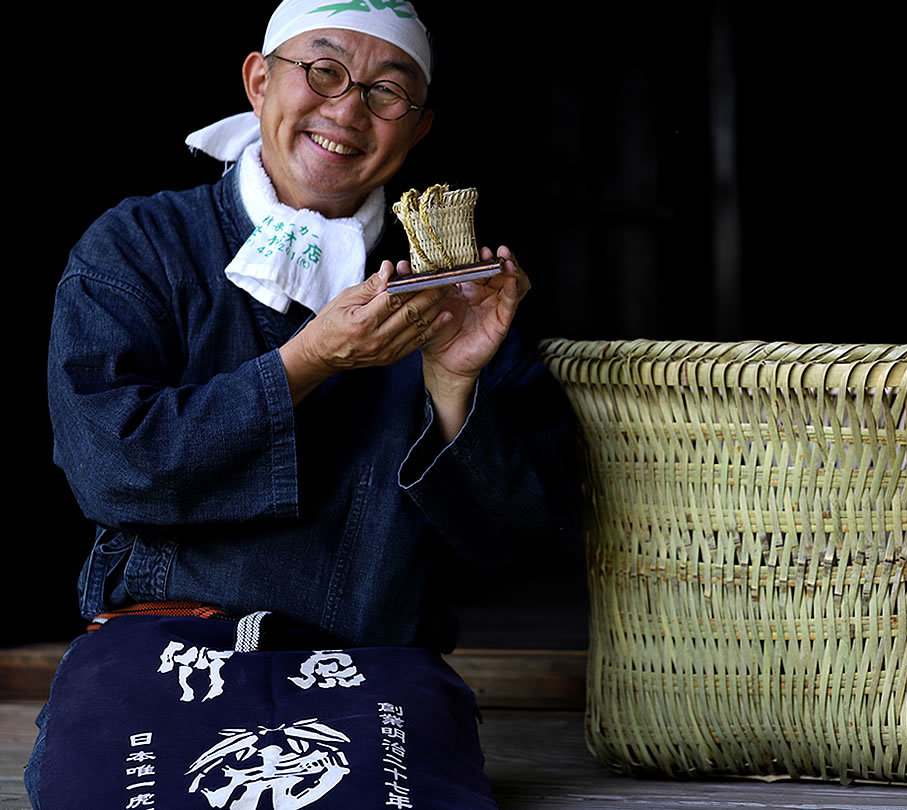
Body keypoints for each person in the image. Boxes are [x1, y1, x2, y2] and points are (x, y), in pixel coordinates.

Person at [30, 0, 578, 804]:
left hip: (375, 666)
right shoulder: (139, 246)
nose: (347, 110)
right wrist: (306, 362)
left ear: (416, 129)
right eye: (322, 72)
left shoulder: (445, 288)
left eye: (387, 92)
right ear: (259, 81)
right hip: (161, 652)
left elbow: (521, 540)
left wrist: (453, 382)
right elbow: (109, 467)